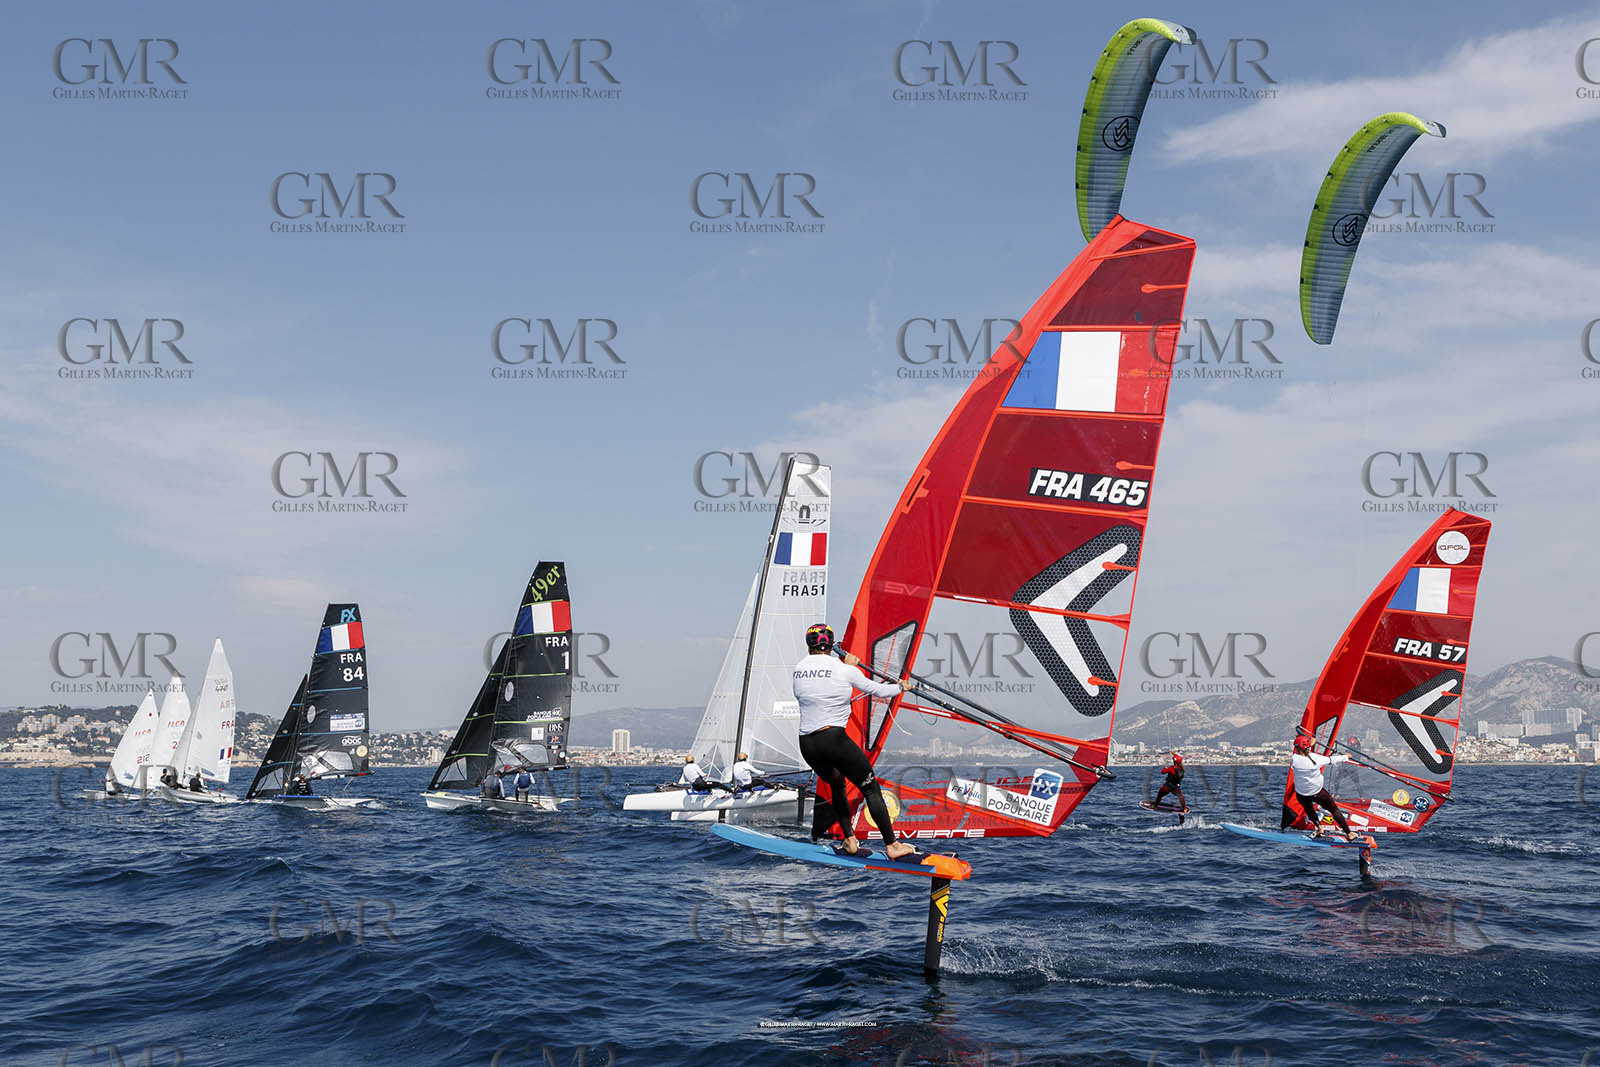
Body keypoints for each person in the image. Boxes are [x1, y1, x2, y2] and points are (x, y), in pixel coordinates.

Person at [793, 623, 916, 861]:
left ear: (809, 644)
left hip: (807, 744)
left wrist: (844, 667)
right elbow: (879, 691)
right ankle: (892, 845)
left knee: (836, 784)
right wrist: (900, 687)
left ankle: (849, 840)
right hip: (833, 739)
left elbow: (819, 685)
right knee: (870, 787)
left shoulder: (798, 668)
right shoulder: (843, 669)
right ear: (830, 645)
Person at [1284, 735, 1355, 839]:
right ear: (1307, 747)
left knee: (1309, 808)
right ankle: (1349, 833)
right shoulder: (1317, 759)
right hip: (1318, 793)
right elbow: (1333, 759)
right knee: (1334, 810)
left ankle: (1319, 827)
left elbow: (1303, 753)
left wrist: (1310, 743)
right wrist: (1346, 756)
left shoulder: (1294, 759)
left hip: (1302, 794)